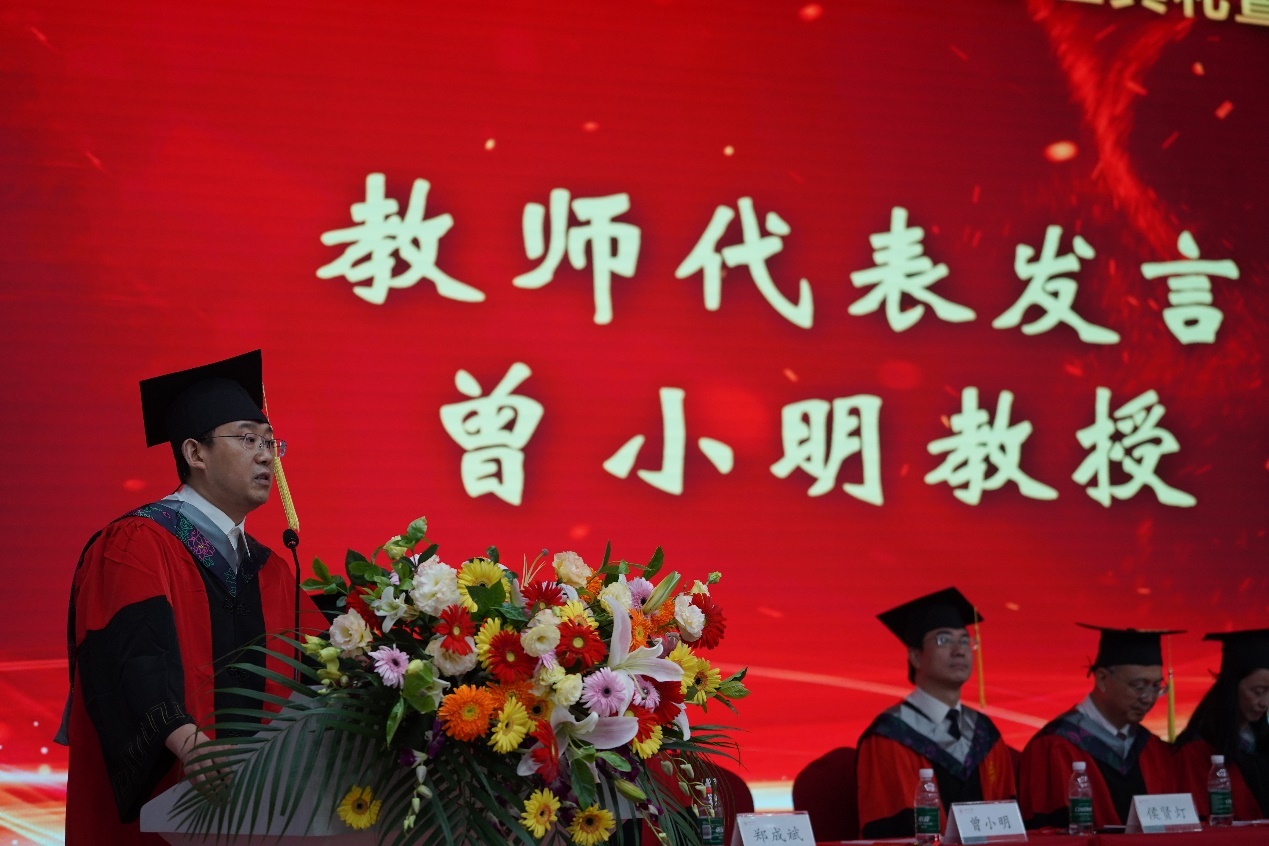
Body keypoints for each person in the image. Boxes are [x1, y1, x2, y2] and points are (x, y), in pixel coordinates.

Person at [60, 350, 325, 845]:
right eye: (248, 439)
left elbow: (326, 666)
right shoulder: (138, 543)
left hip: (259, 814)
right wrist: (187, 741)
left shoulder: (269, 569)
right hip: (171, 805)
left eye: (271, 442)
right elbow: (130, 654)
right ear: (195, 453)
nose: (266, 455)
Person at [856, 588, 1016, 838]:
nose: (959, 650)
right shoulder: (889, 736)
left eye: (965, 641)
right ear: (915, 656)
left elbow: (1007, 824)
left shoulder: (985, 732)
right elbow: (893, 830)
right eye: (944, 640)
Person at [1018, 624, 1180, 829]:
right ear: (1103, 679)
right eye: (1139, 686)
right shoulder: (1054, 746)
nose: (1148, 698)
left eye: (1156, 687)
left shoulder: (1152, 749)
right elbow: (1047, 833)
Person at [1174, 629, 1269, 821]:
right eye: (1258, 691)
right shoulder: (1196, 750)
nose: (1265, 703)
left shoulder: (1261, 742)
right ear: (1230, 688)